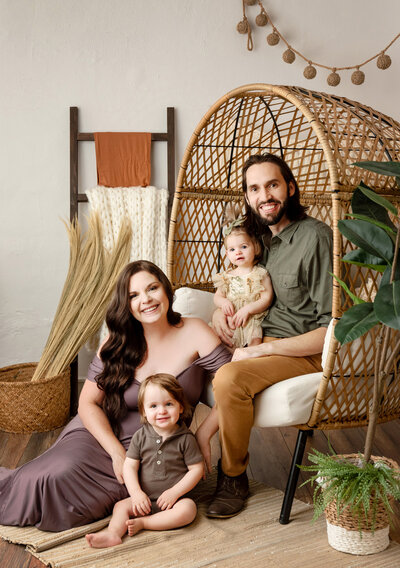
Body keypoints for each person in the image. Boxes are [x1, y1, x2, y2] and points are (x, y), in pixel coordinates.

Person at [0, 260, 231, 532]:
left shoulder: (195, 331)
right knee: (52, 478)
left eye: (152, 288)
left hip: (157, 449)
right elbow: (87, 403)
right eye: (134, 295)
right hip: (101, 437)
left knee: (79, 505)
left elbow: (233, 387)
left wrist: (203, 434)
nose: (146, 300)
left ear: (166, 290)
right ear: (126, 304)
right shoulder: (116, 342)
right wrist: (116, 453)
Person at [196, 153, 333, 519]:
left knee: (228, 378)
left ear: (289, 188)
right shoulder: (253, 240)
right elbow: (235, 289)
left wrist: (262, 351)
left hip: (298, 352)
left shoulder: (316, 237)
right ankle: (167, 461)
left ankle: (233, 475)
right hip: (252, 340)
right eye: (254, 188)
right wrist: (216, 312)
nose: (264, 195)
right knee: (185, 353)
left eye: (272, 185)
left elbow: (330, 330)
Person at [86, 373, 204, 548]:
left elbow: (197, 469)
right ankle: (113, 534)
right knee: (120, 507)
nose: (161, 411)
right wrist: (136, 493)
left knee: (189, 510)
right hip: (145, 499)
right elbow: (130, 466)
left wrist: (175, 493)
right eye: (153, 406)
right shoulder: (141, 436)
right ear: (144, 412)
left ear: (180, 407)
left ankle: (146, 523)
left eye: (169, 404)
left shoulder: (186, 439)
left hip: (174, 502)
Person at [213, 206, 274, 348]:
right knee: (222, 339)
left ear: (256, 248)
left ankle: (247, 361)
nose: (238, 252)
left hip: (251, 318)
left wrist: (249, 309)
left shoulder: (259, 274)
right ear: (227, 254)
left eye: (244, 247)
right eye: (232, 249)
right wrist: (223, 303)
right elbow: (218, 296)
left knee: (254, 337)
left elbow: (266, 298)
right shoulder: (226, 276)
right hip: (231, 317)